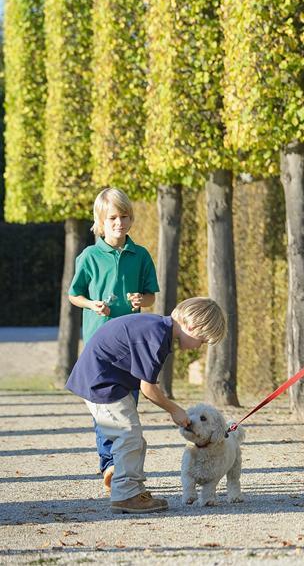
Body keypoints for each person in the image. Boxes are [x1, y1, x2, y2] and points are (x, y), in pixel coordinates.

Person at [65, 297, 227, 514]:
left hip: (106, 379)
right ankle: (125, 495)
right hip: (100, 382)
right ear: (192, 326)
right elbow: (148, 389)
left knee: (133, 439)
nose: (199, 347)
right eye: (202, 340)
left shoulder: (158, 329)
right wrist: (174, 409)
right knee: (128, 436)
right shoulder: (157, 337)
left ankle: (133, 490)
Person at [68, 188, 159, 494]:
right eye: (112, 218)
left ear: (130, 218)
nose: (119, 223)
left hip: (131, 344)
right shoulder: (89, 256)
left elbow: (150, 295)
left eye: (124, 217)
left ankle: (118, 465)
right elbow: (73, 294)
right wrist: (92, 304)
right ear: (100, 222)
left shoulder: (141, 255)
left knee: (128, 405)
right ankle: (109, 465)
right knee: (103, 406)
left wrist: (140, 299)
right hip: (99, 345)